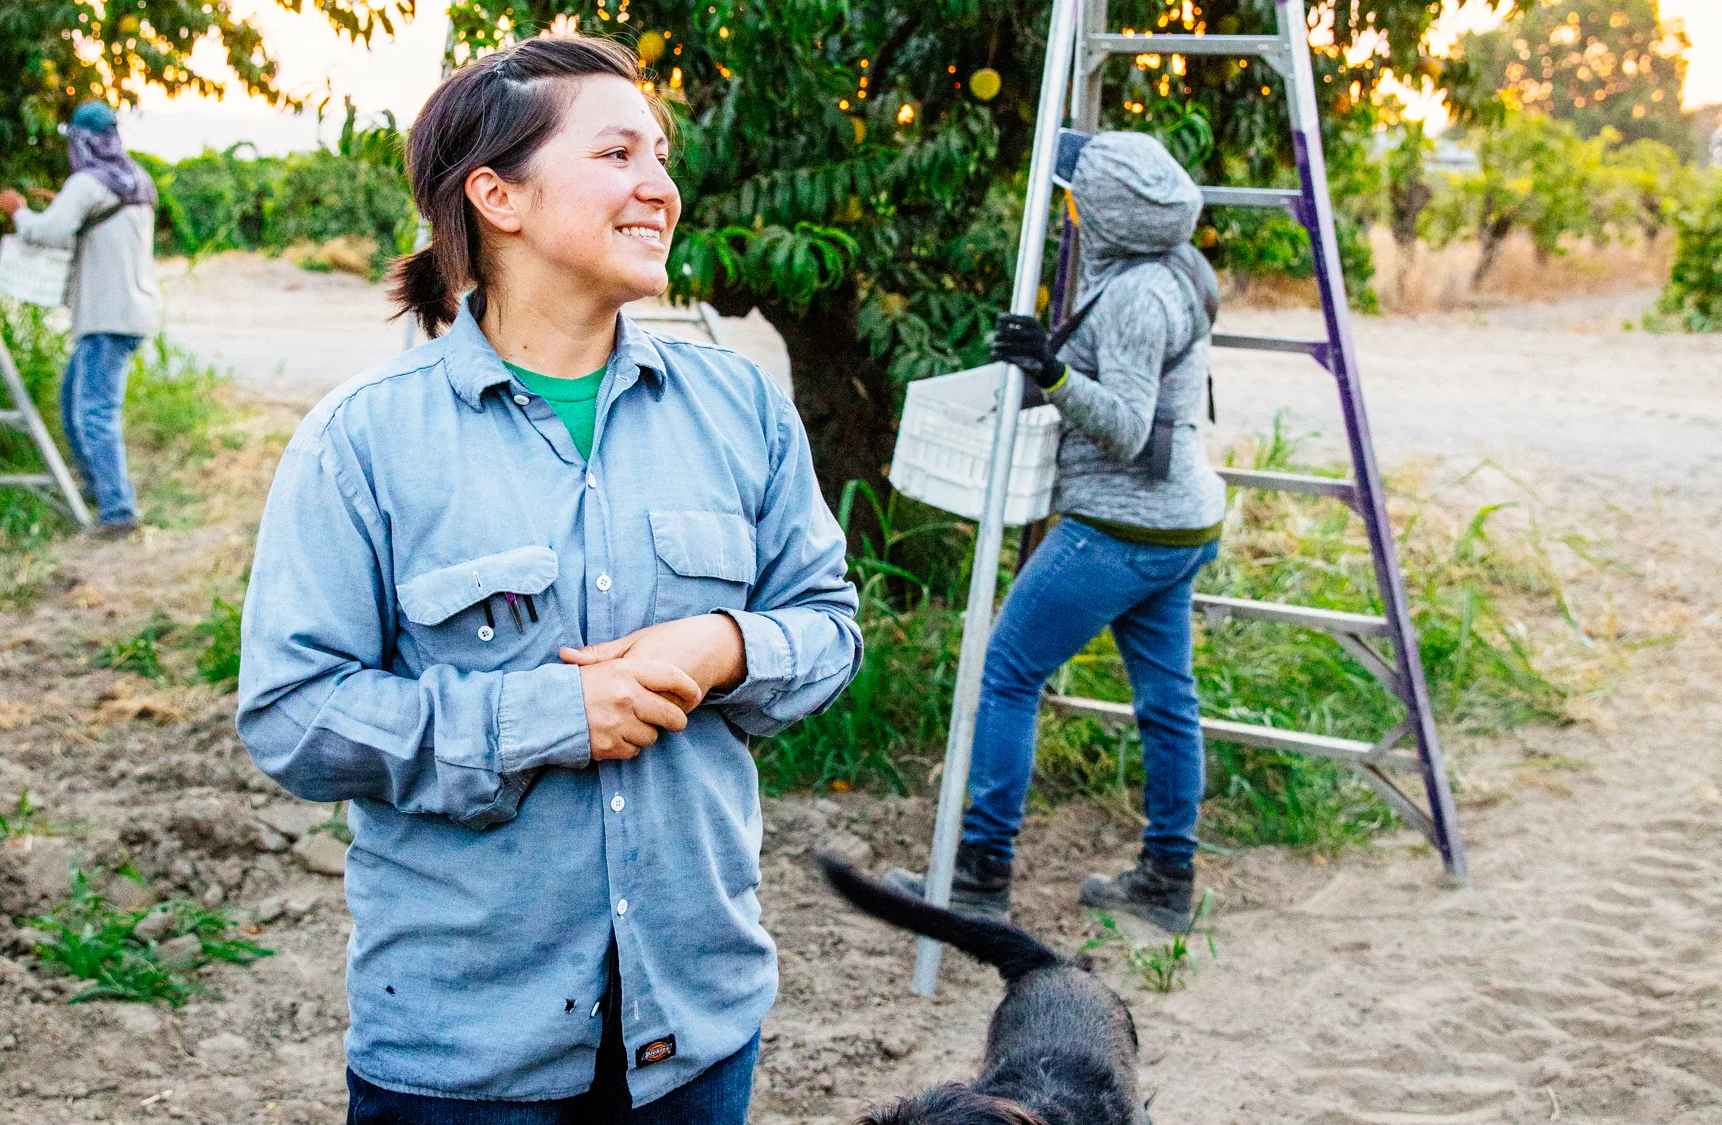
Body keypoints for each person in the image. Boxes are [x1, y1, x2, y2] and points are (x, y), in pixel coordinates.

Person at [235, 35, 860, 1125]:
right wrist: (543, 715)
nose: (659, 188)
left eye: (659, 157)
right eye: (616, 154)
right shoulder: (363, 442)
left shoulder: (738, 408)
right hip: (465, 1051)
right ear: (497, 196)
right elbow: (291, 716)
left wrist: (721, 644)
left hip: (695, 1022)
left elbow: (827, 628)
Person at [896, 132, 1225, 934]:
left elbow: (1123, 424)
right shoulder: (1181, 265)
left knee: (1007, 672)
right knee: (1167, 699)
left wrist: (1052, 372)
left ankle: (980, 869)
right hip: (1180, 519)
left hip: (1121, 524)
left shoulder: (1140, 298)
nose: (1070, 201)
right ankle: (1168, 876)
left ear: (1107, 214)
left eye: (1080, 194)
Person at [0, 100, 161, 537]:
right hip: (130, 310)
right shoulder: (135, 178)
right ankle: (97, 489)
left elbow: (48, 230)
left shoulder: (87, 183)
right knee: (74, 405)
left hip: (107, 315)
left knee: (95, 413)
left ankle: (118, 511)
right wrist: (62, 202)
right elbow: (90, 218)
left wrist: (18, 211)